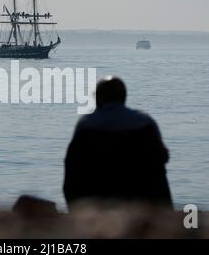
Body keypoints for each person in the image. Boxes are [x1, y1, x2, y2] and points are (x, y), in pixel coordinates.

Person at [63, 76, 172, 210]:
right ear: (123, 97)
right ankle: (163, 214)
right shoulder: (145, 122)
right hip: (140, 195)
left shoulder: (86, 125)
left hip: (98, 197)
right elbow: (163, 157)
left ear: (99, 98)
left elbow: (72, 166)